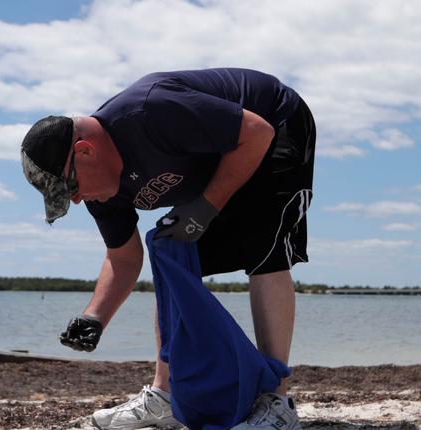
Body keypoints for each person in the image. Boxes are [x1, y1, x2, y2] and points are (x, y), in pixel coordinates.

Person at [20, 68, 315, 430]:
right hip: (226, 158)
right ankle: (167, 396)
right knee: (170, 253)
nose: (78, 200)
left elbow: (257, 132)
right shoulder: (102, 189)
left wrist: (204, 210)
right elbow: (123, 258)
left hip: (276, 124)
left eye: (72, 187)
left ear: (85, 151)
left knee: (264, 248)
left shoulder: (151, 112)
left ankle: (277, 402)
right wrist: (94, 317)